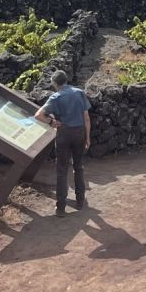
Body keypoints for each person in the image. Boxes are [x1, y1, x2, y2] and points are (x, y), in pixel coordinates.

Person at [34, 70, 91, 216]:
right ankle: (80, 201)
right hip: (79, 132)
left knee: (61, 170)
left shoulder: (55, 97)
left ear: (54, 83)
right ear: (66, 80)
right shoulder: (79, 93)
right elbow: (86, 118)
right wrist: (88, 137)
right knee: (78, 167)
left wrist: (51, 121)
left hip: (64, 133)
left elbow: (38, 115)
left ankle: (61, 207)